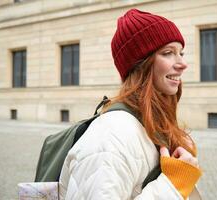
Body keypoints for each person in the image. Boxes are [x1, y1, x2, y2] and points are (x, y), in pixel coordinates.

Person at [59, 8, 202, 200]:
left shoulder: (152, 123)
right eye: (168, 53)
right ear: (140, 65)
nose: (182, 64)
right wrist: (173, 186)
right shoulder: (110, 138)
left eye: (181, 53)